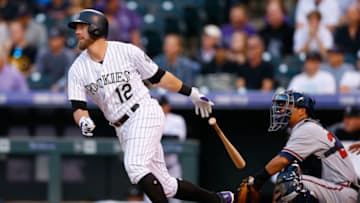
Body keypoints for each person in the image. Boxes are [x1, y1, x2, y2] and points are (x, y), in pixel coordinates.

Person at [67, 9, 234, 203]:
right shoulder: (77, 69)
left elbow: (159, 77)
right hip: (121, 127)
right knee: (166, 186)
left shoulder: (126, 51)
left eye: (81, 27)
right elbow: (78, 107)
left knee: (135, 166)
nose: (77, 32)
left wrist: (192, 93)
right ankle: (219, 200)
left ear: (96, 29)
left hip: (142, 111)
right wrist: (83, 121)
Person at [241, 90, 359, 203]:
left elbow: (283, 160)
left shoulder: (307, 128)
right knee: (287, 177)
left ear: (302, 111)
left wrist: (257, 181)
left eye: (287, 106)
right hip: (332, 189)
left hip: (342, 191)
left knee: (289, 180)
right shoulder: (305, 128)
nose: (281, 110)